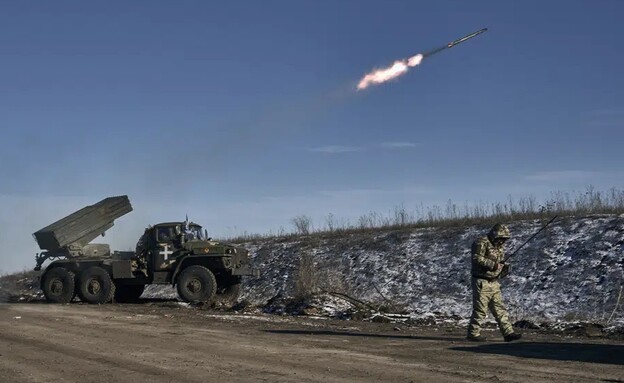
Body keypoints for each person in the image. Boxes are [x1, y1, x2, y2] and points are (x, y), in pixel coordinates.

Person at [467, 223, 522, 342]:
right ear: (495, 235)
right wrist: (493, 265)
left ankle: (508, 333)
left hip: (494, 282)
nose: (503, 241)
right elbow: (476, 258)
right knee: (481, 310)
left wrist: (504, 267)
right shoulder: (481, 242)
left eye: (504, 239)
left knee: (500, 309)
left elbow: (500, 261)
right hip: (482, 281)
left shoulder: (499, 247)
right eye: (501, 238)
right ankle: (473, 333)